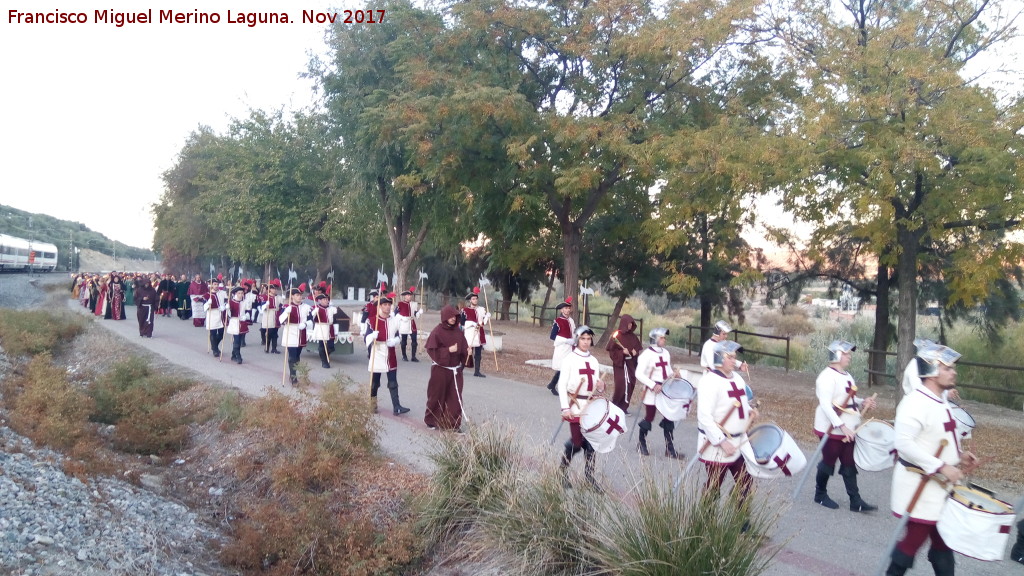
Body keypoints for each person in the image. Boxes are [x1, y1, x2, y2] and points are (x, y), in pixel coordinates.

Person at [885, 345, 979, 576]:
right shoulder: (915, 403)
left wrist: (959, 456)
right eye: (947, 368)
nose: (953, 372)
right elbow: (903, 444)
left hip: (937, 487)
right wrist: (942, 466)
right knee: (912, 543)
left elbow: (938, 437)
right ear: (931, 371)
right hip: (919, 487)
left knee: (943, 542)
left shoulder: (939, 400)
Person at [812, 340, 878, 512]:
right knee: (829, 461)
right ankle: (820, 494)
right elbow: (826, 405)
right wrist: (841, 426)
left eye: (849, 354)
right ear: (837, 355)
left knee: (849, 462)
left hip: (848, 426)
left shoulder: (847, 375)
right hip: (831, 427)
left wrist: (863, 402)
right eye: (846, 353)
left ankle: (855, 501)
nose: (849, 356)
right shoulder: (826, 377)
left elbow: (846, 399)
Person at [696, 340, 756, 501]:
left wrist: (750, 412)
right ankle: (705, 515)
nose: (734, 360)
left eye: (734, 357)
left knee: (745, 484)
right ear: (719, 358)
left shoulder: (737, 379)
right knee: (714, 487)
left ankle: (741, 515)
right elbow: (704, 417)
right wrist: (721, 441)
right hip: (716, 446)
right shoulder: (709, 382)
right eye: (730, 357)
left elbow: (742, 403)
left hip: (737, 442)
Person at [557, 326, 605, 491]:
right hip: (575, 406)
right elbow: (562, 385)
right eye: (583, 338)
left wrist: (601, 386)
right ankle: (561, 472)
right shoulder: (569, 359)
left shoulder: (594, 361)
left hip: (590, 407)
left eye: (588, 339)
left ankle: (589, 477)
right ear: (577, 339)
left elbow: (596, 385)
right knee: (577, 443)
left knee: (591, 444)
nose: (586, 342)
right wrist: (565, 408)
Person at [634, 327, 684, 459]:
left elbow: (667, 370)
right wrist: (652, 385)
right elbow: (639, 373)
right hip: (652, 391)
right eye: (662, 337)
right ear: (655, 339)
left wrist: (674, 375)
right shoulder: (646, 355)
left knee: (668, 417)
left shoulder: (666, 353)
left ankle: (669, 448)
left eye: (664, 337)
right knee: (649, 417)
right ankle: (641, 443)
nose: (664, 339)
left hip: (665, 389)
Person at [424, 305, 468, 431]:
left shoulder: (458, 332)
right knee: (437, 396)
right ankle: (432, 420)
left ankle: (452, 424)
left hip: (455, 370)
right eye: (451, 316)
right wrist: (448, 350)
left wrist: (468, 353)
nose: (453, 318)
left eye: (455, 316)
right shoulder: (437, 331)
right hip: (440, 369)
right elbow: (432, 350)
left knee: (455, 398)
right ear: (445, 317)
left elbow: (464, 351)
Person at [365, 293, 410, 415]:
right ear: (380, 306)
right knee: (375, 382)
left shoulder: (394, 321)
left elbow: (398, 336)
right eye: (385, 304)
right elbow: (366, 338)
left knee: (393, 382)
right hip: (377, 352)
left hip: (390, 352)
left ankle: (397, 406)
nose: (387, 307)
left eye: (389, 304)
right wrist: (371, 336)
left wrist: (395, 341)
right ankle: (372, 405)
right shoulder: (372, 321)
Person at [606, 314, 641, 413]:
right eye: (629, 323)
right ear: (624, 323)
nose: (630, 325)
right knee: (621, 385)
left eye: (632, 324)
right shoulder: (617, 335)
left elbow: (637, 348)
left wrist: (635, 352)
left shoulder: (633, 337)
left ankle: (624, 408)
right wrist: (622, 352)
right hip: (620, 365)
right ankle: (615, 406)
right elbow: (612, 352)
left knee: (630, 384)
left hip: (631, 364)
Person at [278, 288, 312, 385]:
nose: (299, 297)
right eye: (297, 295)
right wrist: (286, 312)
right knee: (292, 355)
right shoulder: (287, 307)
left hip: (301, 332)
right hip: (290, 332)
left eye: (300, 295)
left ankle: (294, 371)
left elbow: (311, 320)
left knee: (297, 356)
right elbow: (280, 320)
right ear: (292, 296)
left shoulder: (306, 307)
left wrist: (305, 324)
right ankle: (293, 376)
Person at [546, 299, 575, 395]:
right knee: (562, 368)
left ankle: (552, 385)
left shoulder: (571, 321)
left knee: (567, 368)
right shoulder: (558, 321)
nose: (568, 310)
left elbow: (573, 333)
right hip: (562, 348)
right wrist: (566, 340)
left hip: (570, 348)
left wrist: (575, 340)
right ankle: (555, 386)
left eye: (569, 308)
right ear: (562, 310)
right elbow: (552, 336)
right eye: (566, 308)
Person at [461, 290, 489, 378]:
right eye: (473, 299)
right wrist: (471, 324)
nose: (475, 300)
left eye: (476, 299)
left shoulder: (481, 310)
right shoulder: (465, 310)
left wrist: (486, 317)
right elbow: (462, 323)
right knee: (467, 352)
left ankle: (477, 371)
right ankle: (460, 369)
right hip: (470, 334)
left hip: (479, 333)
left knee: (478, 353)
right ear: (470, 300)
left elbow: (482, 323)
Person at [310, 292, 338, 369]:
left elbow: (335, 320)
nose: (326, 301)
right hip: (321, 328)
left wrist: (336, 331)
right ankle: (324, 361)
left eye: (327, 299)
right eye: (324, 299)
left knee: (331, 347)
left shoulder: (332, 309)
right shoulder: (316, 308)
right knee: (322, 346)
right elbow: (310, 318)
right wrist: (314, 312)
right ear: (320, 300)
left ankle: (325, 356)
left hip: (330, 328)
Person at [225, 286, 251, 364]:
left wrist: (246, 316)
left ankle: (233, 355)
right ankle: (238, 356)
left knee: (239, 340)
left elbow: (248, 310)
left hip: (242, 322)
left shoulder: (244, 302)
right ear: (235, 294)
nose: (240, 295)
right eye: (239, 293)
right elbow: (229, 314)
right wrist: (227, 309)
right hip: (234, 322)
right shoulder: (231, 302)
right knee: (236, 340)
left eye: (242, 293)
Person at [396, 288, 422, 362]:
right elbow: (396, 314)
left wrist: (419, 313)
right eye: (408, 295)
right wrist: (402, 318)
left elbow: (415, 315)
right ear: (405, 296)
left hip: (412, 323)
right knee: (404, 340)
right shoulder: (400, 304)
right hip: (404, 323)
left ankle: (413, 357)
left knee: (414, 341)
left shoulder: (414, 304)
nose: (409, 296)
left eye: (410, 295)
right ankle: (404, 356)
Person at [204, 280, 227, 358]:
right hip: (212, 315)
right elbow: (204, 306)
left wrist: (224, 306)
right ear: (211, 285)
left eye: (217, 284)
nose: (216, 286)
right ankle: (215, 350)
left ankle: (214, 346)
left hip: (220, 314)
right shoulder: (207, 295)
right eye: (214, 284)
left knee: (221, 333)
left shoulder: (223, 293)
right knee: (213, 333)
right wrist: (208, 303)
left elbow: (226, 302)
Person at [259, 281, 283, 354]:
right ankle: (267, 347)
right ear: (269, 289)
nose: (274, 290)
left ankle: (274, 348)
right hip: (268, 315)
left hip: (276, 315)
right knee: (269, 332)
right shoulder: (265, 297)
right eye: (273, 288)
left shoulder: (278, 297)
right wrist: (265, 305)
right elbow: (261, 308)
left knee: (275, 333)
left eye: (275, 289)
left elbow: (281, 307)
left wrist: (282, 303)